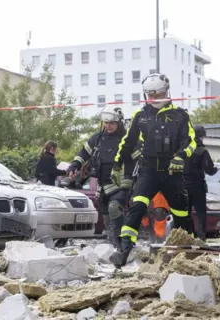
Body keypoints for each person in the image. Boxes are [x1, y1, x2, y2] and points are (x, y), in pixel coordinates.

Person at [109, 73, 197, 268]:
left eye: (158, 94)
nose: (154, 99)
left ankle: (189, 250)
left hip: (172, 172)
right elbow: (127, 142)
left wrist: (181, 157)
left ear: (166, 91)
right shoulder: (141, 116)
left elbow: (190, 141)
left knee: (181, 213)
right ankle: (123, 250)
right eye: (150, 95)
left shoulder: (180, 115)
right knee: (137, 207)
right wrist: (117, 163)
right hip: (148, 170)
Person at [67, 106, 134, 247]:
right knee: (105, 212)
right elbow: (83, 153)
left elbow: (139, 159)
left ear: (119, 123)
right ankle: (113, 241)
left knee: (115, 207)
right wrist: (74, 165)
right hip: (103, 183)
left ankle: (120, 242)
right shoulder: (98, 138)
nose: (108, 126)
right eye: (106, 123)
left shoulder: (128, 139)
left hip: (121, 182)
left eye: (112, 123)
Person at [183, 125, 217, 240]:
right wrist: (215, 170)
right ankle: (201, 237)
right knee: (201, 213)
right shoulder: (202, 151)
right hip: (197, 186)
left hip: (183, 187)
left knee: (184, 213)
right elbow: (209, 170)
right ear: (201, 136)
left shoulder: (183, 149)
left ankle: (187, 236)